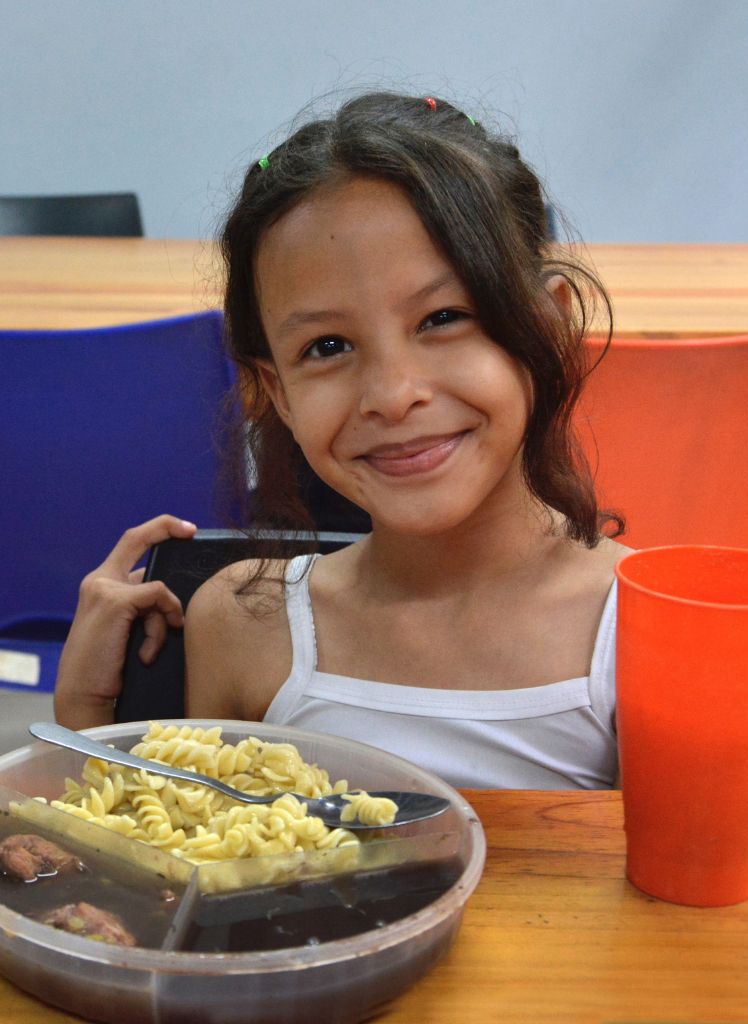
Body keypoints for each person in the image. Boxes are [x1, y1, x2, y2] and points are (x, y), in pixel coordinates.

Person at [54, 91, 628, 789]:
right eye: (328, 346)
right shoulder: (244, 626)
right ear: (275, 391)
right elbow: (180, 873)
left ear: (550, 325)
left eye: (444, 316)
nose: (392, 393)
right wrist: (86, 714)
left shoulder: (642, 630)